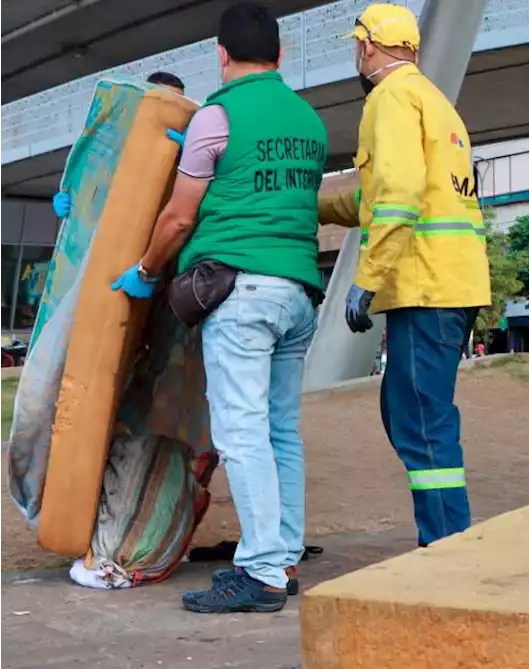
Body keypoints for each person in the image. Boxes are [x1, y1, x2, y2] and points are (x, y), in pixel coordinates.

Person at [111, 2, 328, 613]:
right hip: (297, 294)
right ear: (280, 55)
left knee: (241, 432)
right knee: (282, 429)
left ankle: (259, 575)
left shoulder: (218, 115)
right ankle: (282, 556)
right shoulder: (309, 121)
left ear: (221, 54)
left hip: (240, 295)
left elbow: (180, 215)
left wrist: (146, 270)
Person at [317, 3, 490, 548]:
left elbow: (398, 197)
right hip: (451, 282)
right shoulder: (433, 102)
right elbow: (380, 197)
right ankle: (445, 539)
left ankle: (445, 545)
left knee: (420, 419)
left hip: (424, 285)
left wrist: (367, 278)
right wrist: (316, 207)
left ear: (365, 47)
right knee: (410, 412)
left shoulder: (388, 100)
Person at [51, 71, 187, 219]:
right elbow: (93, 176)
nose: (175, 109)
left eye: (180, 102)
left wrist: (190, 153)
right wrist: (71, 194)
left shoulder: (187, 141)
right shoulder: (116, 138)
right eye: (168, 101)